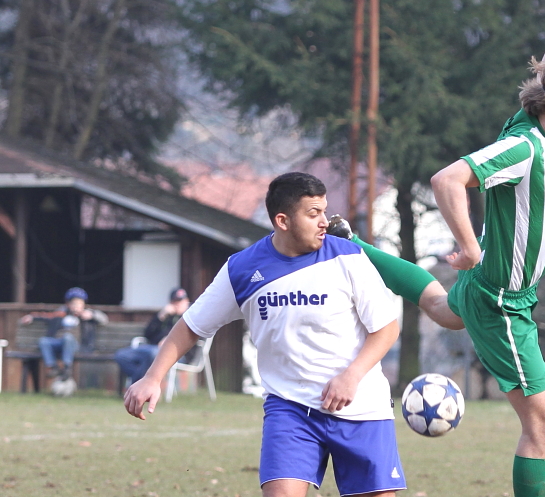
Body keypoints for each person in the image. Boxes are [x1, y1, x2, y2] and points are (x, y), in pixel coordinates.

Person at [330, 0, 545, 497]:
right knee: (543, 426)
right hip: (503, 301)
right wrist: (471, 246)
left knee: (444, 310)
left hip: (494, 291)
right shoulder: (524, 147)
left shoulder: (535, 126)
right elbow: (447, 180)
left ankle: (351, 245)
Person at [124, 172, 405, 497]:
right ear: (282, 221)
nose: (324, 222)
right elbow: (190, 326)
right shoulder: (242, 269)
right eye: (313, 213)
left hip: (362, 408)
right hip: (291, 409)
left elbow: (386, 328)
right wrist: (152, 377)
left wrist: (351, 376)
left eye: (324, 211)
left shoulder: (348, 257)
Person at [19, 287, 109, 380]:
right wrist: (32, 317)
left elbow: (104, 319)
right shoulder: (61, 313)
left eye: (79, 303)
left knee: (68, 337)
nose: (76, 306)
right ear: (68, 304)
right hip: (59, 344)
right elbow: (47, 316)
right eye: (73, 303)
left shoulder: (88, 314)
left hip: (78, 346)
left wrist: (93, 315)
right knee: (44, 341)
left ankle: (67, 368)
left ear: (83, 304)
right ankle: (53, 367)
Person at [115, 288, 191, 385]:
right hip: (153, 348)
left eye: (181, 301)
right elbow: (147, 335)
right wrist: (161, 317)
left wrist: (170, 342)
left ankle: (139, 384)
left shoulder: (190, 318)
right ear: (170, 303)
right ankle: (141, 382)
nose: (178, 304)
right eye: (175, 301)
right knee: (121, 355)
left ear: (187, 301)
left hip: (176, 353)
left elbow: (193, 339)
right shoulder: (166, 316)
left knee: (153, 354)